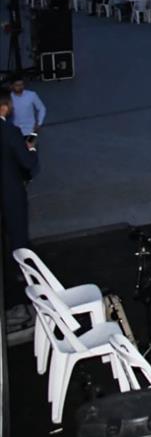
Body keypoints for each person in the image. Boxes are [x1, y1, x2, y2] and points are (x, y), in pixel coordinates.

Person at [1, 91, 38, 331]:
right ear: (4, 107)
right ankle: (24, 297)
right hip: (10, 197)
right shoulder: (10, 132)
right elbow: (28, 164)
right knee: (19, 245)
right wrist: (31, 149)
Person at [8, 77, 47, 142]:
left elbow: (42, 108)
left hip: (31, 129)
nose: (20, 87)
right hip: (14, 130)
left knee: (31, 148)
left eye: (22, 84)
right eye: (17, 85)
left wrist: (39, 123)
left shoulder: (31, 95)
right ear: (11, 86)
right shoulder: (8, 97)